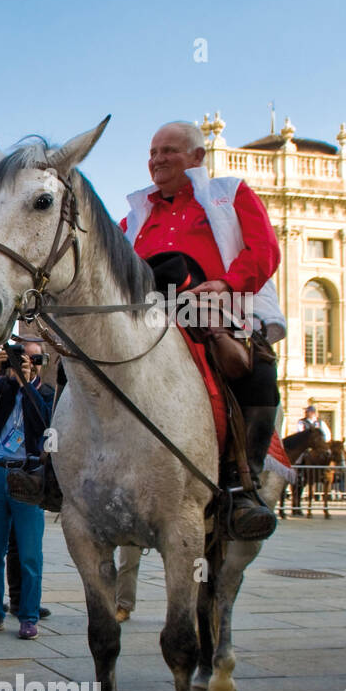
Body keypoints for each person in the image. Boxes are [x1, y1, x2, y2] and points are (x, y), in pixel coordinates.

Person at [122, 121, 284, 540]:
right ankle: (50, 466)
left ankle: (240, 483)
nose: (157, 159)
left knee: (260, 372)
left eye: (169, 151)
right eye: (153, 152)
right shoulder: (137, 212)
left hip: (212, 309)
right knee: (75, 363)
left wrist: (227, 284)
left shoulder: (230, 194)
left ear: (197, 157)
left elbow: (264, 249)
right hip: (147, 316)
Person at [0, 340, 54, 639]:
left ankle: (28, 616)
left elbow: (44, 424)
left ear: (40, 361)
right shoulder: (3, 388)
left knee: (30, 553)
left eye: (30, 358)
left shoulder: (46, 393)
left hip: (28, 476)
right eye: (19, 357)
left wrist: (27, 384)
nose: (23, 362)